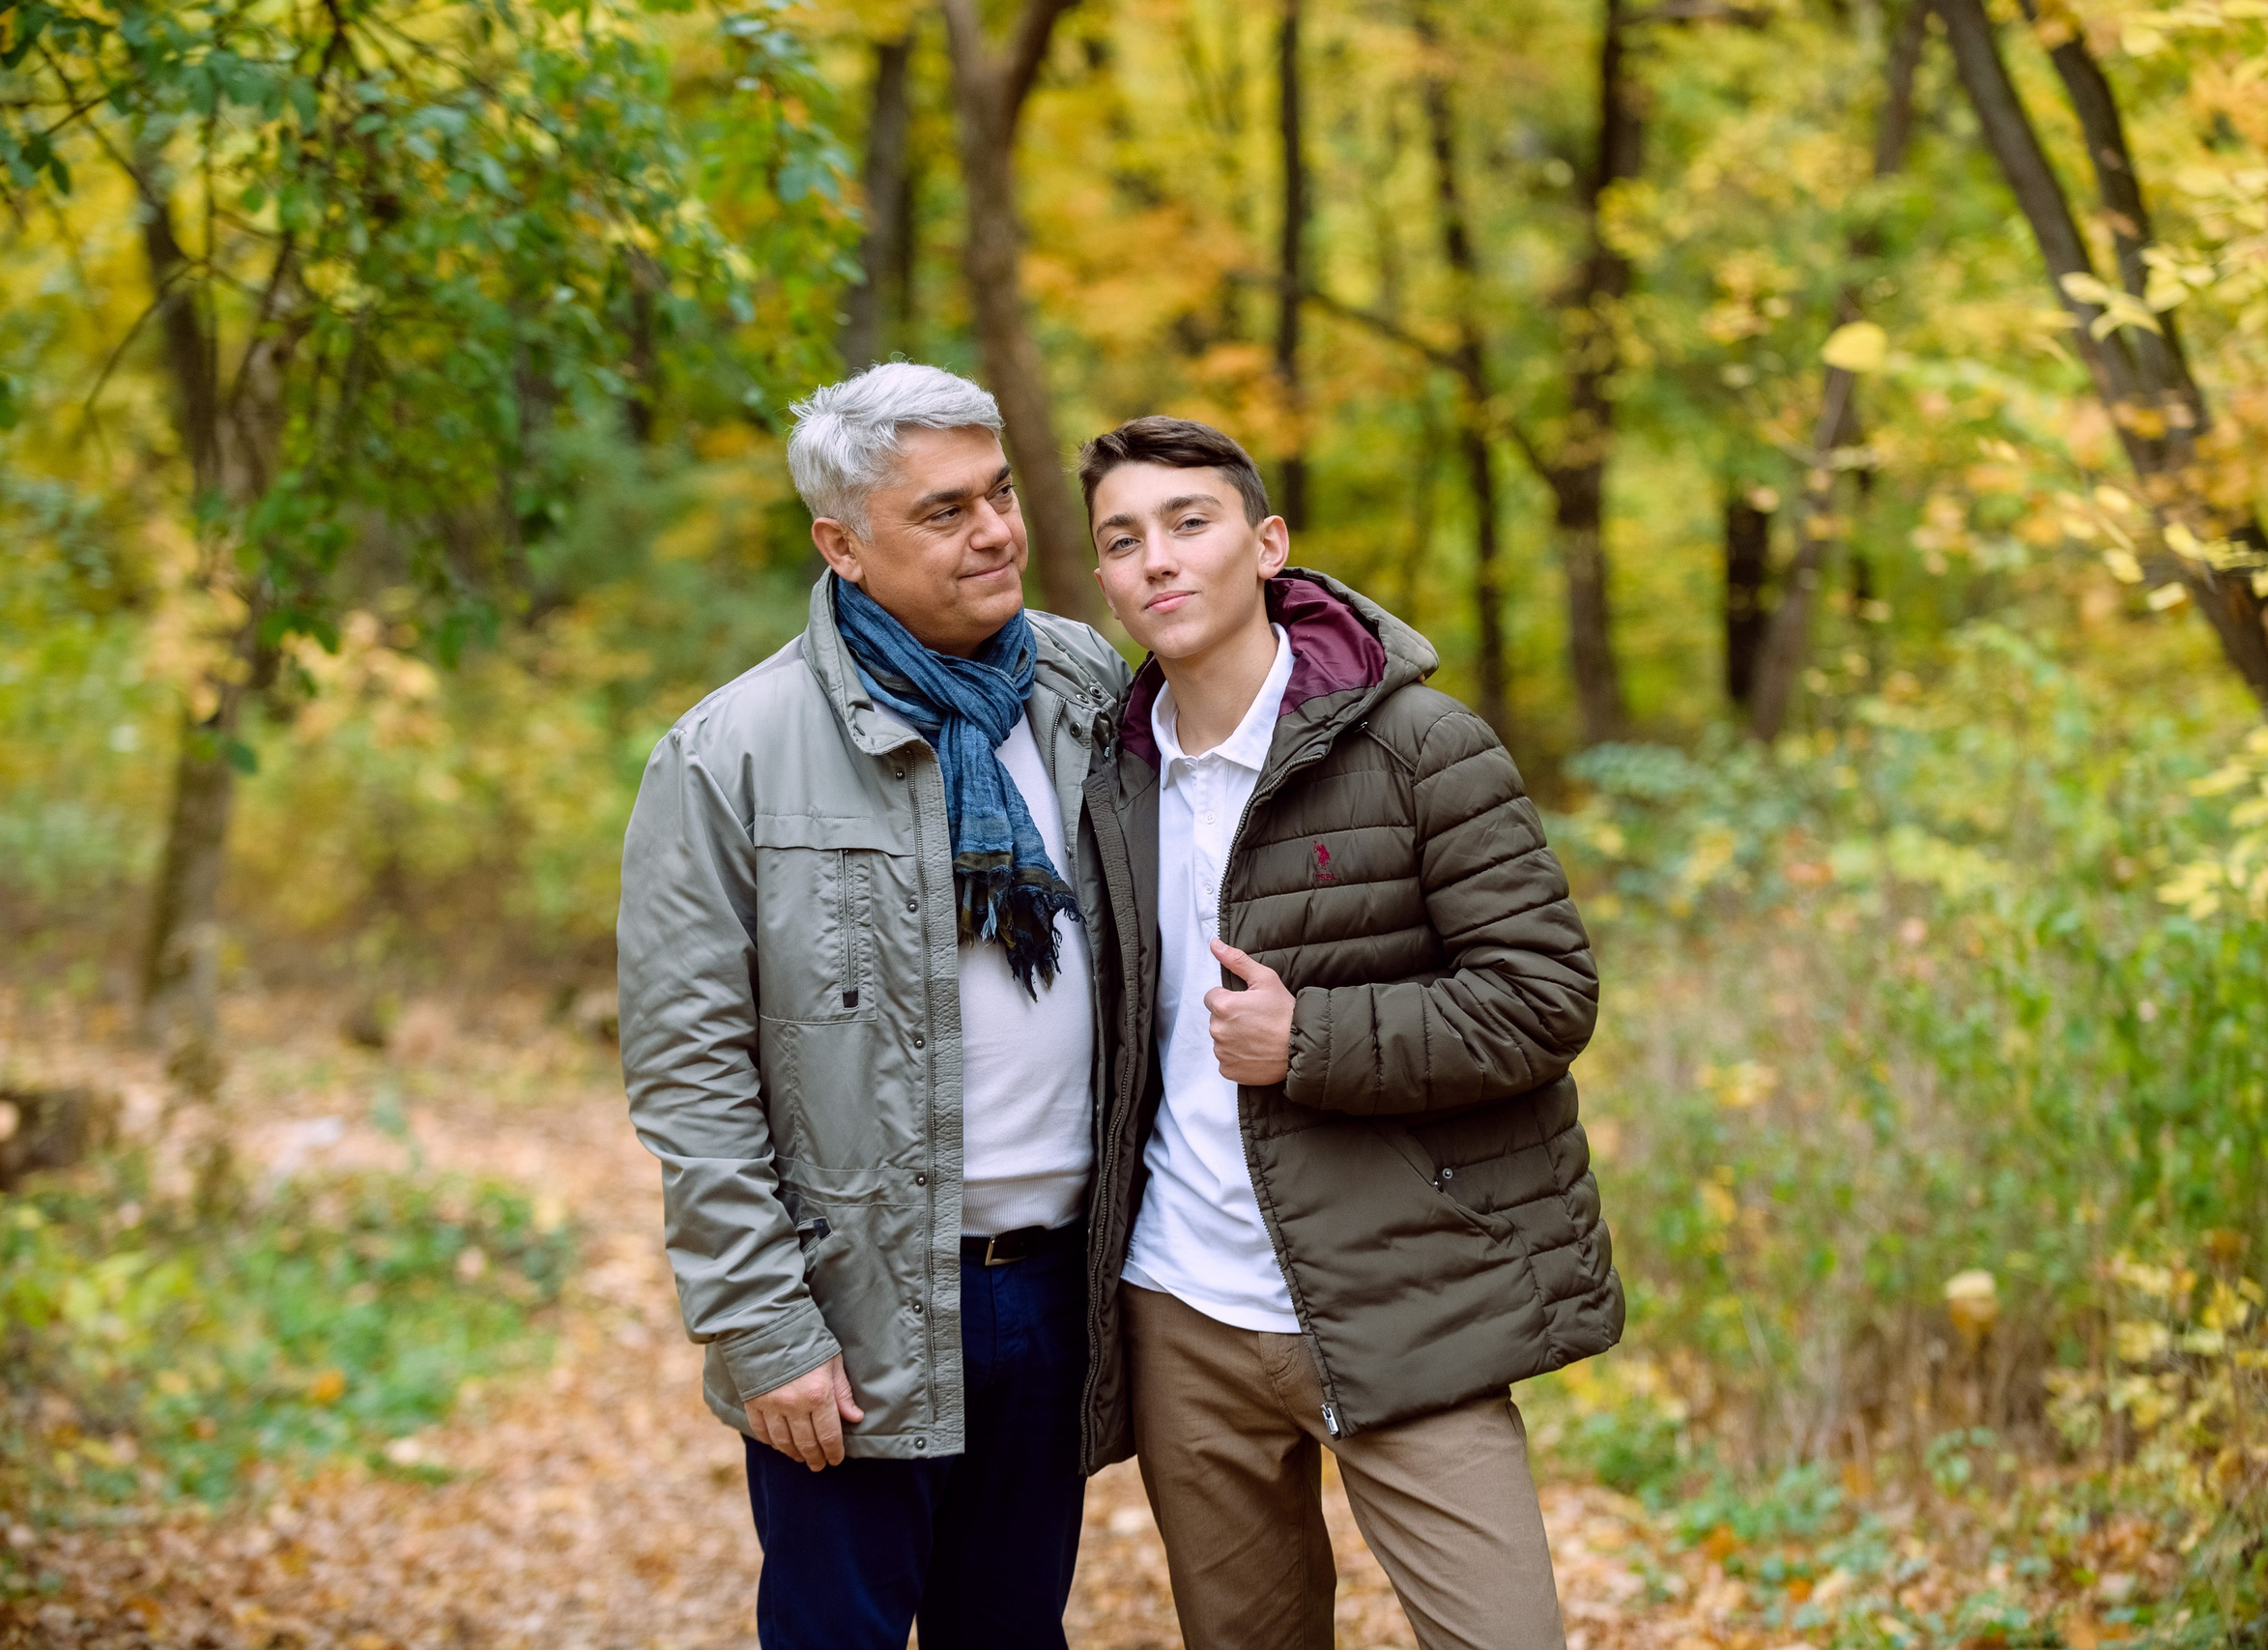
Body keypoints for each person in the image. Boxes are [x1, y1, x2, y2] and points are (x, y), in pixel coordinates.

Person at [1073, 416, 1620, 1650]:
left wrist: (1310, 1038)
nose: (1156, 559)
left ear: (1268, 545)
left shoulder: (1423, 746)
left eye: (1188, 522)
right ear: (1103, 579)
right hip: (1182, 1313)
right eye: (1122, 539)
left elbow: (1543, 995)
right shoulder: (1108, 776)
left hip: (1399, 1294)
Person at [617, 362, 1129, 1650]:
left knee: (1012, 1633)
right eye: (945, 510)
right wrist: (763, 1325)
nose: (999, 530)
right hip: (855, 1299)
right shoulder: (729, 750)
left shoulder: (1083, 689)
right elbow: (691, 1071)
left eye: (1000, 492)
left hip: (1061, 1278)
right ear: (840, 544)